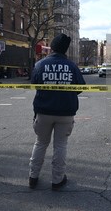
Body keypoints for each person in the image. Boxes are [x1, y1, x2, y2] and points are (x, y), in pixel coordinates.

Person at [29, 33, 85, 191]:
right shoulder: (72, 66)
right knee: (60, 145)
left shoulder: (41, 64)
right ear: (65, 50)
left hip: (43, 111)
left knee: (40, 143)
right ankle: (57, 179)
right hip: (65, 112)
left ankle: (33, 177)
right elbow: (80, 88)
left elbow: (35, 84)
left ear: (51, 47)